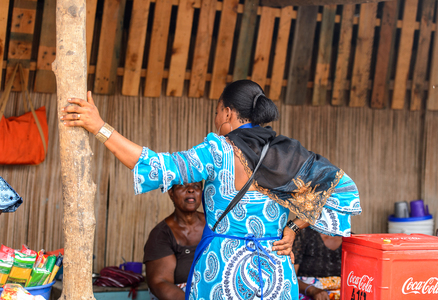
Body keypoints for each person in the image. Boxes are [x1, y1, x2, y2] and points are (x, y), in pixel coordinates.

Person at [61, 79, 361, 299]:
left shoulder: (218, 152)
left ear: (228, 113)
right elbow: (342, 190)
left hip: (221, 275)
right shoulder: (289, 155)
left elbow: (155, 166)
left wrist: (99, 126)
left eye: (217, 112)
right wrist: (293, 227)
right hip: (276, 276)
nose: (216, 119)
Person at [144, 182, 205, 300]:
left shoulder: (214, 227)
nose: (191, 190)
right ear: (171, 193)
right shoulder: (161, 234)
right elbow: (159, 282)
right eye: (183, 185)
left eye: (196, 186)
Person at [293, 227, 342, 300]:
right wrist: (312, 290)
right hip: (307, 293)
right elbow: (291, 277)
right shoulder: (304, 234)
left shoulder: (352, 239)